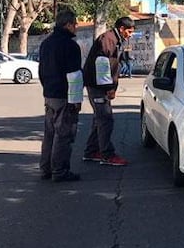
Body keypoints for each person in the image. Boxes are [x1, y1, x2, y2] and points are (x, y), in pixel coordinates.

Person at [82, 16, 135, 166]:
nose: (130, 35)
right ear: (121, 29)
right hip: (98, 86)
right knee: (105, 119)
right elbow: (102, 66)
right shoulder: (108, 40)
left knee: (99, 119)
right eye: (129, 31)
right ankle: (107, 155)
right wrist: (109, 89)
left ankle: (91, 152)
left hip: (99, 85)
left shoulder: (115, 39)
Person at [38, 10, 84, 182]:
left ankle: (46, 168)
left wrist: (47, 88)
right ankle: (59, 170)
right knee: (64, 134)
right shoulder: (70, 46)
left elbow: (41, 71)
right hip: (65, 95)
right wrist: (76, 100)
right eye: (75, 24)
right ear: (68, 24)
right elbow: (74, 75)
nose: (76, 27)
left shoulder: (46, 43)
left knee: (50, 133)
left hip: (50, 94)